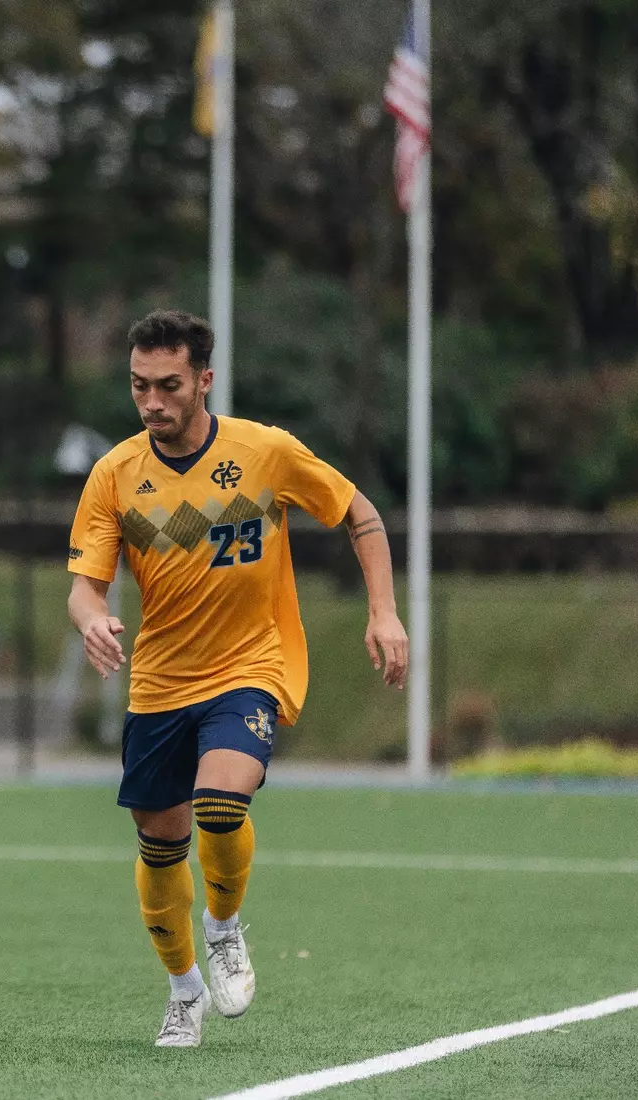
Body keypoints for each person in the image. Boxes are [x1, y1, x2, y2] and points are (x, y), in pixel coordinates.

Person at [66, 309, 407, 1048]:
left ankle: (222, 929)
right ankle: (184, 988)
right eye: (138, 387)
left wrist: (384, 612)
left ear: (204, 381)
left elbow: (360, 514)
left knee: (221, 803)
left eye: (168, 385)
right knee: (160, 846)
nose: (152, 402)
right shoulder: (116, 475)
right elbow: (84, 585)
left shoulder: (266, 452)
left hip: (250, 665)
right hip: (159, 682)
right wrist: (91, 616)